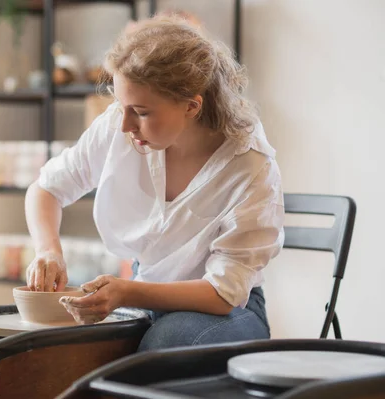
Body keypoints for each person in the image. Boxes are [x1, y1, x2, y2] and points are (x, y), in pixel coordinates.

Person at [24, 14, 284, 351]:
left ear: (191, 106)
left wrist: (127, 291)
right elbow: (46, 189)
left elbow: (223, 293)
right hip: (142, 299)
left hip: (227, 310)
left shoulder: (250, 165)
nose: (124, 125)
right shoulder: (121, 124)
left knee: (164, 342)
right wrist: (49, 251)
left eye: (142, 112)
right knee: (69, 346)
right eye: (122, 105)